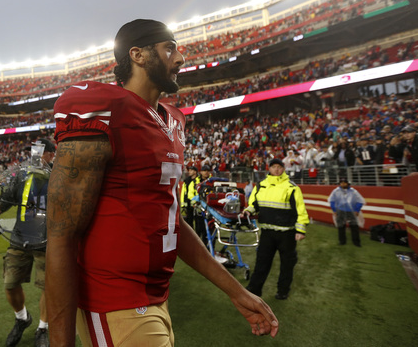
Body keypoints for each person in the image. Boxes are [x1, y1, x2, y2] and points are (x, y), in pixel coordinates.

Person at [45, 19, 278, 346]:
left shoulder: (174, 120)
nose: (180, 58)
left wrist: (236, 291)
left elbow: (170, 221)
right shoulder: (103, 108)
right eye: (169, 48)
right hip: (114, 301)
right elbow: (61, 234)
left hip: (156, 298)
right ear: (138, 55)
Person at [3, 138, 55, 347]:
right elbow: (8, 197)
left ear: (51, 154)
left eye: (39, 151)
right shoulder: (22, 174)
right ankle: (22, 318)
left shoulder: (59, 175)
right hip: (20, 237)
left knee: (48, 287)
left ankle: (43, 328)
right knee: (10, 284)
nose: (34, 154)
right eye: (33, 150)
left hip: (46, 239)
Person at [241, 158, 309, 300]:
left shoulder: (292, 187)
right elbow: (254, 204)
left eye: (279, 167)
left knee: (287, 265)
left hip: (287, 233)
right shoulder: (260, 185)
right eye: (274, 167)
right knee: (261, 262)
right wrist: (247, 211)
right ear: (269, 169)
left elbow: (300, 210)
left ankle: (283, 291)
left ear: (283, 169)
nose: (276, 169)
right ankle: (254, 289)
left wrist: (300, 230)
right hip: (267, 232)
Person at [328, 178, 365, 246]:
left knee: (354, 227)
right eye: (341, 183)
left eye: (344, 183)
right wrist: (334, 210)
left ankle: (356, 242)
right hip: (340, 211)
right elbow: (332, 201)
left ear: (348, 183)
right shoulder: (336, 191)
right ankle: (342, 241)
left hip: (351, 212)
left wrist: (357, 210)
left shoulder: (353, 191)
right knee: (341, 227)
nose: (343, 184)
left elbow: (360, 201)